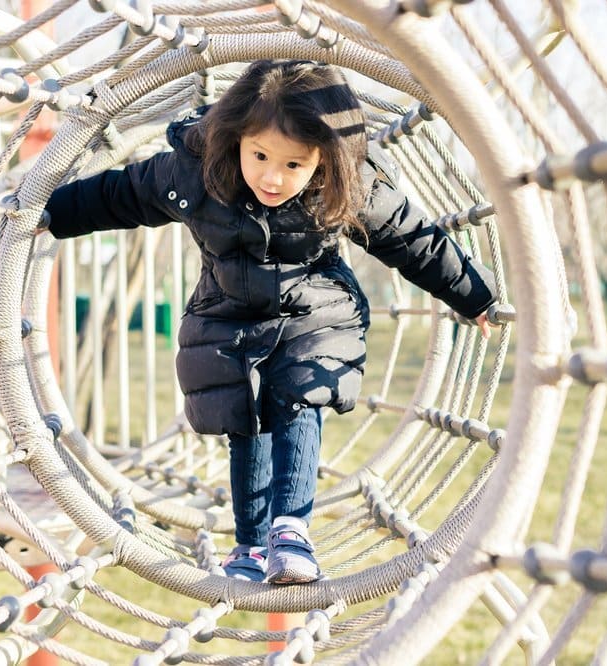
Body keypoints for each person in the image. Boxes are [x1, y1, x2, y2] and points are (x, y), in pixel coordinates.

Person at [42, 60, 498, 585]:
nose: (272, 177)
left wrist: (474, 295)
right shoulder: (194, 170)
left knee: (302, 391)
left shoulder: (349, 182)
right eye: (259, 155)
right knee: (243, 416)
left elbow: (409, 237)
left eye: (293, 165)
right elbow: (119, 195)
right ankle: (252, 545)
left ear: (323, 160)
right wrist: (51, 212)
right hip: (228, 309)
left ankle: (292, 531)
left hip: (317, 305)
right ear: (236, 136)